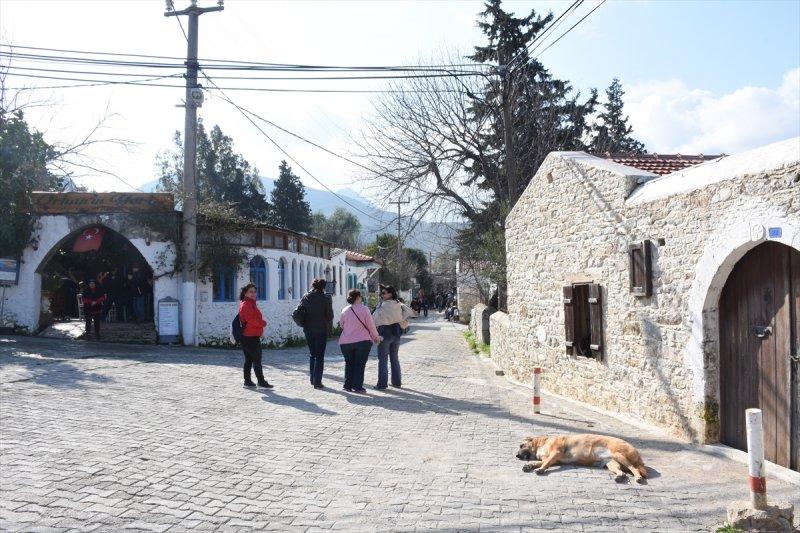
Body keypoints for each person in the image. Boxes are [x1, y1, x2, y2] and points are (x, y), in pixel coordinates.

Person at [372, 284, 415, 390]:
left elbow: (373, 318)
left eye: (383, 293)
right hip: (396, 333)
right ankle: (397, 382)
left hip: (384, 333)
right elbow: (409, 312)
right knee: (394, 359)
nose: (381, 295)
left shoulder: (382, 305)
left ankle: (382, 384)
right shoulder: (398, 303)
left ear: (390, 294)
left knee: (383, 360)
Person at [339, 289, 381, 393]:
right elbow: (371, 325)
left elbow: (341, 325)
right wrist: (376, 337)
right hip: (362, 341)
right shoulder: (364, 309)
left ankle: (347, 385)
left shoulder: (345, 310)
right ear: (358, 297)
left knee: (349, 363)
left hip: (345, 342)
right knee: (359, 364)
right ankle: (357, 387)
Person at [298, 278, 334, 389]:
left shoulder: (306, 297)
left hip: (308, 329)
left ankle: (312, 379)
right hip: (321, 330)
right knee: (319, 356)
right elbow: (330, 316)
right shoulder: (326, 298)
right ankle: (317, 381)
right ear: (323, 287)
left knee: (312, 354)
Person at [238, 283, 272, 388]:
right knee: (257, 360)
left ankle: (247, 381)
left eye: (254, 292)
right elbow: (251, 320)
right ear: (245, 293)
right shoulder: (246, 304)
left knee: (249, 359)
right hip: (250, 337)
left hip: (250, 336)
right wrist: (262, 323)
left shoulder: (250, 303)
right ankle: (260, 381)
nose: (253, 294)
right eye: (250, 292)